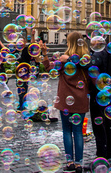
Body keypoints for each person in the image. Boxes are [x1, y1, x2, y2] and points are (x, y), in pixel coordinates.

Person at [43, 32, 89, 173]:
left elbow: (48, 68)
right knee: (78, 132)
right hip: (81, 100)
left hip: (65, 100)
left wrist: (45, 54)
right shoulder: (86, 60)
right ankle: (79, 164)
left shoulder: (64, 61)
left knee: (67, 131)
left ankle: (70, 163)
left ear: (71, 43)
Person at [88, 43, 111, 167]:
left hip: (98, 94)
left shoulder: (98, 53)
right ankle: (109, 156)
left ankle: (101, 157)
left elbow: (90, 68)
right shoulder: (110, 52)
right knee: (108, 125)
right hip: (108, 92)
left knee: (99, 126)